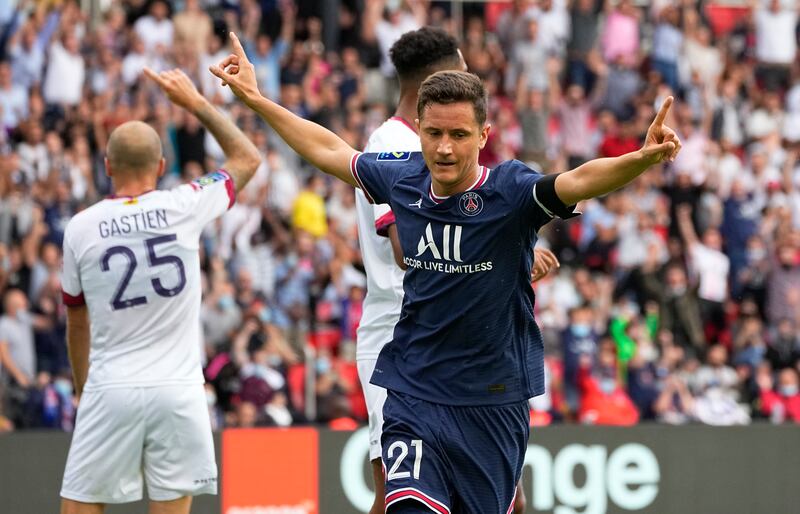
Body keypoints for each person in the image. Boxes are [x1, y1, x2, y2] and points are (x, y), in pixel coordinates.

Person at [210, 32, 680, 514]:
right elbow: (329, 150)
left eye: (459, 135)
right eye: (434, 134)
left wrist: (639, 159)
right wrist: (258, 99)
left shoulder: (511, 192)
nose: (445, 149)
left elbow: (579, 180)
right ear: (419, 129)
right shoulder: (402, 176)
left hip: (492, 400)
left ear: (484, 135)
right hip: (414, 390)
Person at [354, 26, 558, 514]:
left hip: (460, 339)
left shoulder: (432, 141)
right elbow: (413, 247)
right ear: (443, 77)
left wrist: (507, 260)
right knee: (396, 489)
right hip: (405, 333)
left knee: (510, 495)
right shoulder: (393, 143)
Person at [59, 68, 260, 514]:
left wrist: (81, 389)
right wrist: (197, 104)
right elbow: (247, 158)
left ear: (107, 166)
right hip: (180, 391)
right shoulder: (183, 203)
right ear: (162, 166)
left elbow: (76, 319)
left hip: (110, 387)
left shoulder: (80, 227)